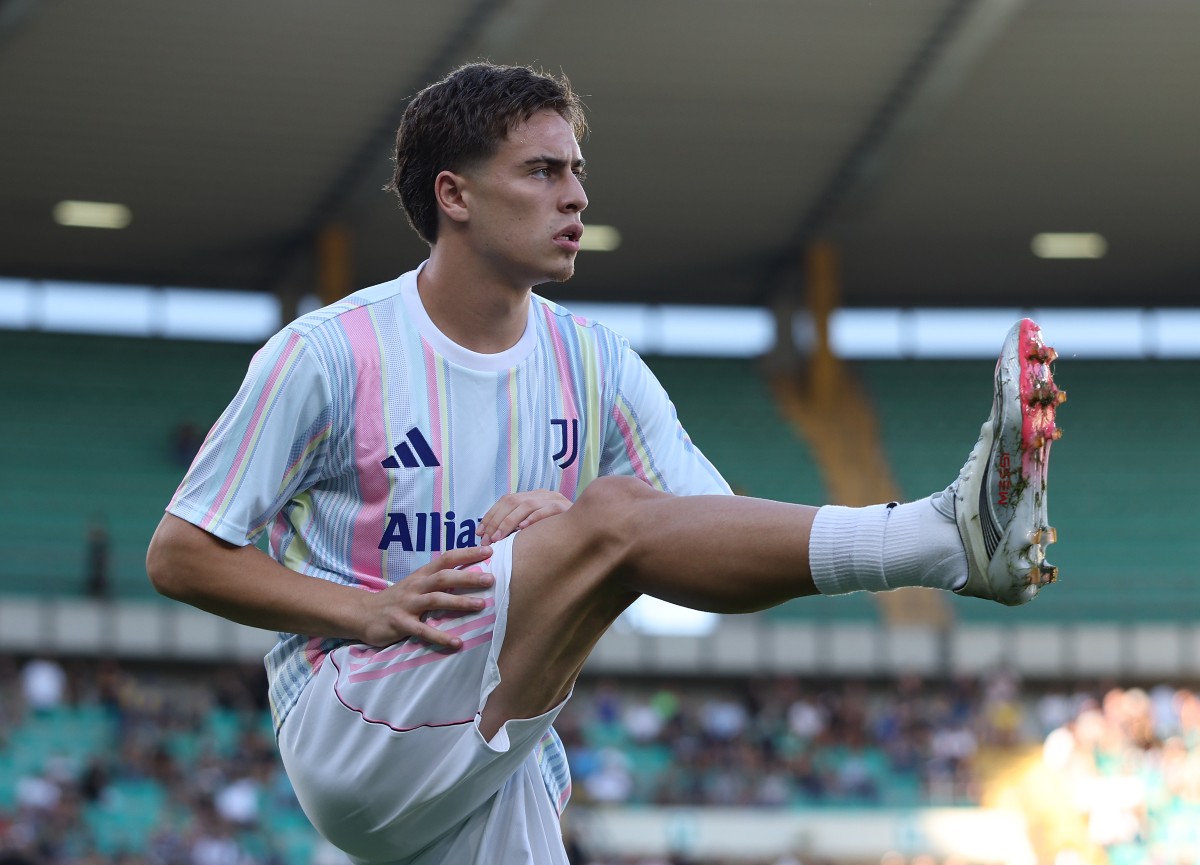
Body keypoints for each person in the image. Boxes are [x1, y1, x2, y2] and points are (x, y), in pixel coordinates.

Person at [146, 62, 1064, 865]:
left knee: (618, 516)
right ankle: (944, 537)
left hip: (502, 741)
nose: (576, 196)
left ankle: (950, 536)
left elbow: (699, 535)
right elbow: (180, 553)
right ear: (454, 195)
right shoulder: (327, 355)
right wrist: (370, 607)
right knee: (618, 508)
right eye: (542, 172)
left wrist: (573, 529)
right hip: (353, 715)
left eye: (577, 172)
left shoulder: (596, 363)